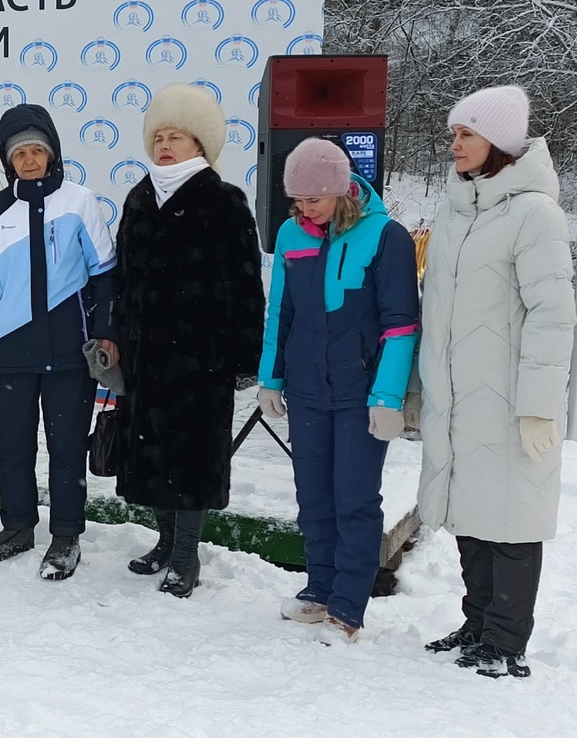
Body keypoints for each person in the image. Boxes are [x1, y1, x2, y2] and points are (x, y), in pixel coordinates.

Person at [417, 85, 574, 678]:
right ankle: (478, 620)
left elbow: (553, 314)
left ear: (500, 144)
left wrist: (538, 405)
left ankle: (507, 639)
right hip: (457, 395)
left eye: (466, 135)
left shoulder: (535, 213)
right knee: (470, 511)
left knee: (509, 519)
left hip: (509, 398)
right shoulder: (455, 210)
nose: (453, 144)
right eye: (453, 134)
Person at [256, 138, 419, 644]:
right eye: (299, 201)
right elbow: (280, 312)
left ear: (342, 190)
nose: (307, 209)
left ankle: (348, 606)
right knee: (314, 498)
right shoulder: (290, 235)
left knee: (354, 499)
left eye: (315, 200)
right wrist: (270, 377)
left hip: (361, 393)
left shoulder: (385, 236)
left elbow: (400, 325)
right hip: (306, 390)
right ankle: (319, 589)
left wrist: (388, 397)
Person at [0, 104, 118, 580]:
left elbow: (106, 275)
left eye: (37, 151)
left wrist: (105, 333)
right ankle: (18, 527)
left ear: (52, 154)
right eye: (19, 153)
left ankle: (66, 537)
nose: (28, 160)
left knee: (67, 448)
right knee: (13, 446)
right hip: (12, 353)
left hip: (70, 352)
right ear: (9, 160)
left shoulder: (81, 202)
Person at [115, 83, 265, 597]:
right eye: (158, 135)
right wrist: (118, 338)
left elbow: (246, 286)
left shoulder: (223, 201)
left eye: (175, 135)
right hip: (144, 358)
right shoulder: (138, 197)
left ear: (200, 144)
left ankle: (186, 556)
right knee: (151, 455)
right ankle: (163, 542)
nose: (165, 144)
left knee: (191, 461)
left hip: (200, 361)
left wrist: (244, 357)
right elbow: (123, 279)